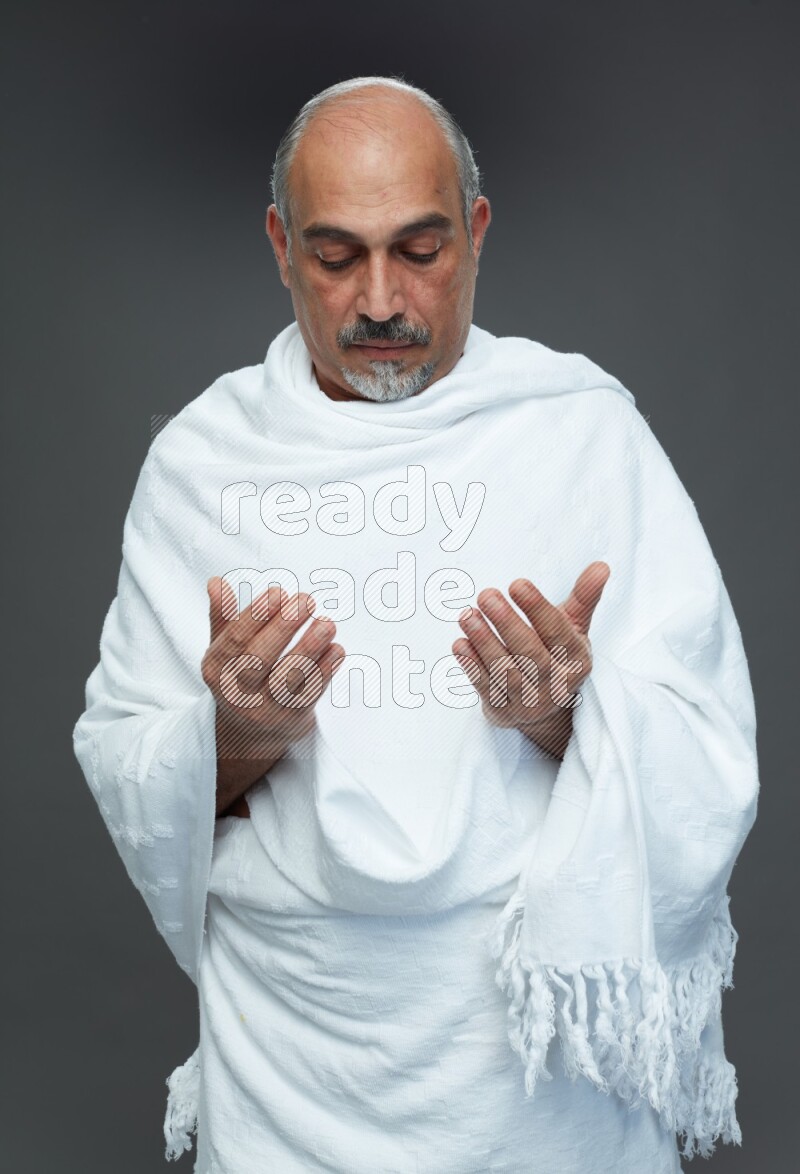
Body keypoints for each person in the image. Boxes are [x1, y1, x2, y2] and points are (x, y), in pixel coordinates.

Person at [73, 76, 759, 1173]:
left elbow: (709, 745)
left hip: (538, 1095)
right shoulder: (202, 462)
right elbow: (124, 760)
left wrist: (565, 716)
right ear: (279, 244)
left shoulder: (580, 433)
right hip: (291, 1070)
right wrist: (236, 736)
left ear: (476, 233)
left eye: (421, 251)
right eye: (336, 255)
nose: (380, 300)